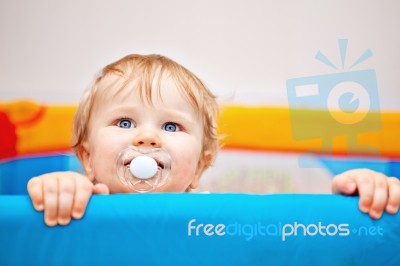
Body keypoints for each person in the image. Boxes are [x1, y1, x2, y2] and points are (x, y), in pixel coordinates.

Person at [27, 54, 400, 227]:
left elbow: (295, 235)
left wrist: (349, 198)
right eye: (124, 121)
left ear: (201, 166)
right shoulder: (77, 204)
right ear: (87, 157)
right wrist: (57, 190)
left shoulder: (220, 217)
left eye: (171, 127)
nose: (146, 137)